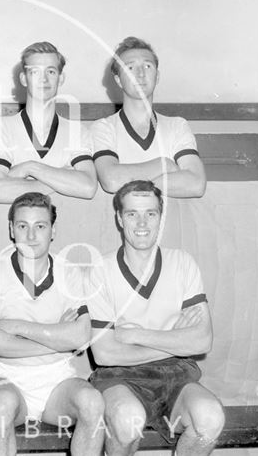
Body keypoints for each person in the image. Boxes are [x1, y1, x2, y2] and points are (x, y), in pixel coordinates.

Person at [86, 180, 224, 455]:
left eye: (151, 213)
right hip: (120, 378)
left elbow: (201, 342)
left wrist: (134, 335)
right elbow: (105, 354)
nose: (142, 222)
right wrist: (173, 337)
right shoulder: (100, 269)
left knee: (210, 418)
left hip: (176, 375)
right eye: (132, 213)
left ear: (161, 217)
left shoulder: (182, 263)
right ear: (119, 218)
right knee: (127, 421)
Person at [0, 192, 104, 456]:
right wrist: (57, 340)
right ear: (11, 229)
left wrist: (18, 327)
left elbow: (81, 336)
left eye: (40, 226)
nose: (31, 236)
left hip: (58, 378)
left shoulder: (69, 271)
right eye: (23, 226)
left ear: (53, 230)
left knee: (92, 402)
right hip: (8, 376)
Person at [92, 37, 206, 198]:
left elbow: (196, 184)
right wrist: (165, 164)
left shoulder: (177, 125)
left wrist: (135, 185)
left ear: (157, 76)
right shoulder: (103, 127)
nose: (140, 74)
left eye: (147, 66)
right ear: (118, 80)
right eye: (130, 67)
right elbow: (111, 179)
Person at [0, 41, 97, 204]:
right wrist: (61, 179)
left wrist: (30, 167)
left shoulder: (77, 131)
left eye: (51, 71)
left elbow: (87, 187)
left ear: (61, 78)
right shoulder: (2, 127)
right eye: (35, 72)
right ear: (23, 78)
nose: (44, 79)